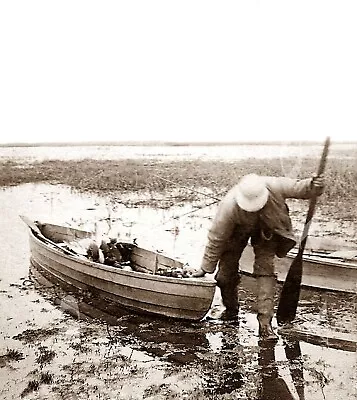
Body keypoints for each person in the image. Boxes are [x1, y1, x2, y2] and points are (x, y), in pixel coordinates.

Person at [193, 173, 325, 341]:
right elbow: (216, 238)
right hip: (237, 231)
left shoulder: (275, 186)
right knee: (225, 275)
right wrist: (205, 268)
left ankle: (265, 324)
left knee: (265, 271)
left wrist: (314, 185)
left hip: (267, 229)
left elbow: (301, 188)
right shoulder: (229, 207)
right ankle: (231, 311)